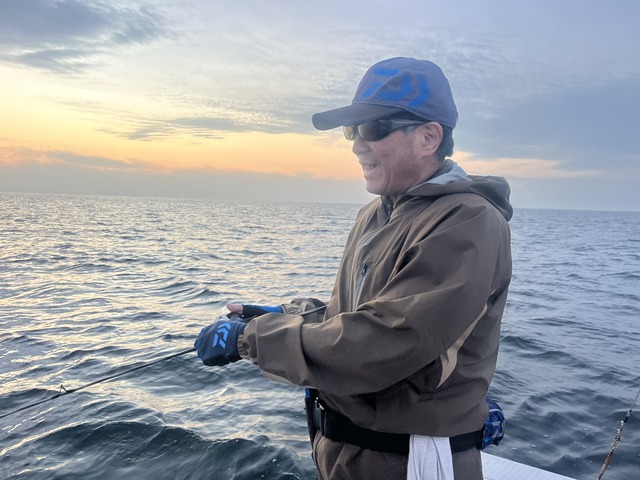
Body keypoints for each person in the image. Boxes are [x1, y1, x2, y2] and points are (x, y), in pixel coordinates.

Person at [195, 57, 512, 480]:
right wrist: (285, 314)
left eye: (373, 128)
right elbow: (353, 314)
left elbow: (384, 342)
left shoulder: (467, 220)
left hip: (410, 460)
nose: (357, 145)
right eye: (352, 131)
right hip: (347, 452)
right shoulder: (375, 214)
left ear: (429, 137)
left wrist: (250, 339)